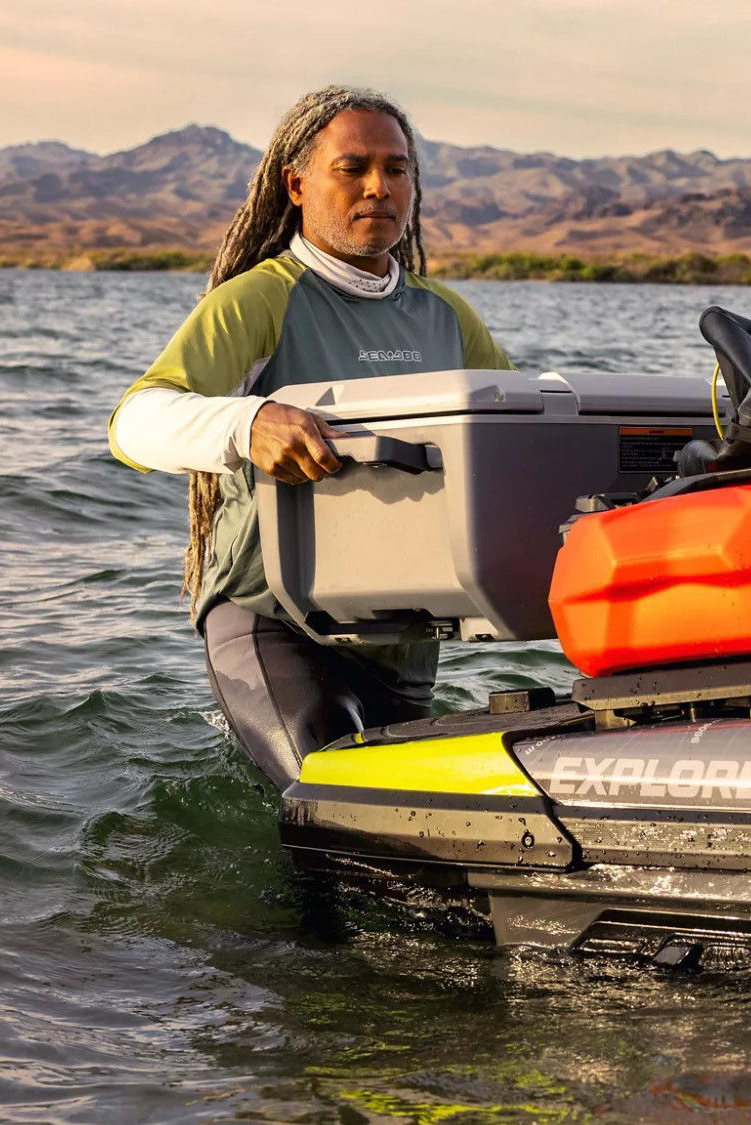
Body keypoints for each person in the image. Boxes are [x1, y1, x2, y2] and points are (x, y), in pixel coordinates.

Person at [107, 86, 512, 789]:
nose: (379, 187)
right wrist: (248, 421)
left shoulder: (446, 315)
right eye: (352, 168)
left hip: (405, 648)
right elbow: (136, 420)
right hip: (273, 624)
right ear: (296, 184)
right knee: (333, 800)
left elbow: (521, 432)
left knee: (398, 843)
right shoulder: (261, 298)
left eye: (398, 168)